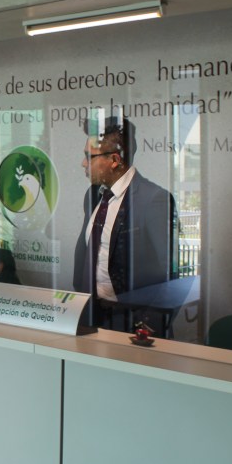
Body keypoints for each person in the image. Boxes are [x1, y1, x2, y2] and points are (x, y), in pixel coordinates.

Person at [73, 115, 176, 333]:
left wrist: (149, 326)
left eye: (89, 156)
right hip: (90, 315)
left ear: (114, 160)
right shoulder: (93, 195)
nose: (83, 163)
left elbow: (169, 272)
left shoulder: (153, 199)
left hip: (131, 323)